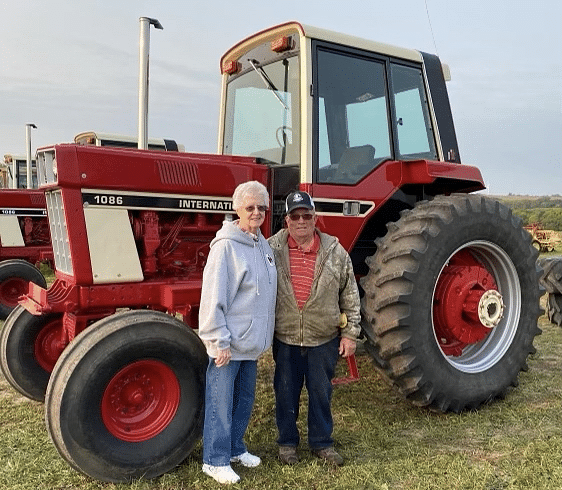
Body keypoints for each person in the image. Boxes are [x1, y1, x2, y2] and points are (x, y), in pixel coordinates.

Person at [268, 190, 360, 467]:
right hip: (286, 337)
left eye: (306, 215)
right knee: (286, 392)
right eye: (294, 216)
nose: (301, 221)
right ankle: (287, 444)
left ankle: (321, 443)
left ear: (315, 218)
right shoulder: (270, 250)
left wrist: (350, 333)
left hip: (323, 338)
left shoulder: (335, 252)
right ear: (286, 220)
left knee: (321, 392)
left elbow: (350, 294)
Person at [199, 181, 277, 485]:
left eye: (261, 207)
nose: (256, 212)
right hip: (228, 346)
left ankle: (234, 449)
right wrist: (219, 341)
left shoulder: (262, 243)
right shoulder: (226, 247)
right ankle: (214, 460)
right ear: (237, 209)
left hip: (250, 344)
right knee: (220, 403)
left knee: (243, 400)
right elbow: (213, 297)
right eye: (250, 207)